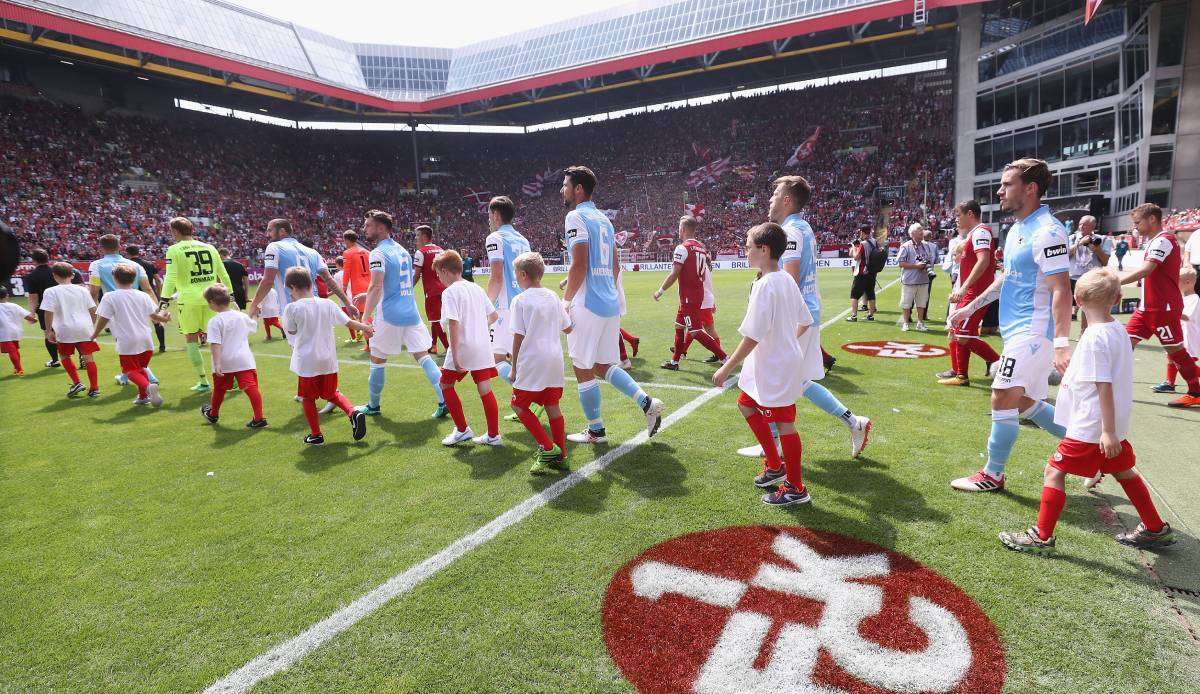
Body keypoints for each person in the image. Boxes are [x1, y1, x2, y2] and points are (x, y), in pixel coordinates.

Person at [998, 268, 1174, 554]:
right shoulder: (1118, 329)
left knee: (1054, 470)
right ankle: (1154, 527)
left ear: (1077, 300)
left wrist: (1106, 431)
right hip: (1110, 423)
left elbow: (1103, 385)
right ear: (1118, 298)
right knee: (1124, 471)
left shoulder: (1094, 338)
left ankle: (1042, 536)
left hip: (1094, 426)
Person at [948, 158, 1073, 493]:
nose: (999, 191)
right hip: (1016, 331)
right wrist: (968, 308)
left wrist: (1062, 342)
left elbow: (1062, 288)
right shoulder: (1018, 228)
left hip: (1033, 334)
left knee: (1002, 395)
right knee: (1023, 403)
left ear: (1029, 189)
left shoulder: (1048, 231)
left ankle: (993, 474)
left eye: (1007, 184)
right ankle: (1087, 445)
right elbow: (1007, 279)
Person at [738, 175, 870, 460]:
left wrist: (777, 327)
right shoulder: (799, 227)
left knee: (775, 378)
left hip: (797, 319)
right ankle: (853, 422)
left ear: (787, 200)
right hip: (804, 316)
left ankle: (775, 446)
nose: (771, 200)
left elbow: (791, 279)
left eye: (775, 195)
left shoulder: (793, 231)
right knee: (796, 382)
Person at [713, 222, 822, 506]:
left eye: (749, 247)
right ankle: (775, 465)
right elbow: (805, 321)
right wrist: (785, 342)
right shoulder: (785, 278)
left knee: (785, 423)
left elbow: (753, 335)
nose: (745, 251)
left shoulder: (766, 284)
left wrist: (726, 367)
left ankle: (796, 487)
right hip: (772, 362)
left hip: (775, 365)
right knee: (745, 403)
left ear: (764, 249)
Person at [560, 165, 665, 444]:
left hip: (588, 303)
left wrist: (566, 301)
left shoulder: (575, 216)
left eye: (565, 184)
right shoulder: (605, 221)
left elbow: (580, 265)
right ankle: (646, 402)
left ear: (578, 189)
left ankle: (596, 430)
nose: (562, 189)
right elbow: (616, 266)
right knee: (603, 365)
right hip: (608, 303)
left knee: (582, 366)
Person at [353, 210, 448, 419]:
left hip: (389, 315)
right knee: (423, 357)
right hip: (410, 312)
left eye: (368, 225)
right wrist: (366, 293)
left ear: (380, 228)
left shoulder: (378, 253)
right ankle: (445, 400)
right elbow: (390, 282)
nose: (364, 229)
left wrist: (365, 316)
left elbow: (377, 286)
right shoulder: (402, 250)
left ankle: (373, 405)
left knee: (377, 359)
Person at [1119, 203, 1200, 407]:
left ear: (1152, 219)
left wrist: (1114, 281)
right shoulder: (1156, 241)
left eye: (1138, 222)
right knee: (1123, 344)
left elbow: (1147, 269)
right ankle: (1111, 385)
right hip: (1147, 308)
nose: (1135, 227)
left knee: (1175, 351)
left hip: (1162, 309)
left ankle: (1195, 391)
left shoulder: (1164, 240)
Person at [280, 267, 371, 445]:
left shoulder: (292, 308)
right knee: (331, 394)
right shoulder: (327, 304)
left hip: (307, 362)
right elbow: (349, 322)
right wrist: (366, 328)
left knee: (308, 398)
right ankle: (353, 412)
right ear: (310, 283)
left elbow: (291, 330)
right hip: (328, 360)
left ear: (293, 287)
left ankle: (316, 434)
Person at [508, 252, 571, 474]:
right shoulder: (553, 296)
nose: (515, 277)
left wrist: (514, 366)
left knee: (518, 405)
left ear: (524, 275)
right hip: (554, 358)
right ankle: (561, 455)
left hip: (532, 360)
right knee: (552, 405)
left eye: (516, 273)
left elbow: (518, 335)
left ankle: (547, 448)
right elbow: (568, 327)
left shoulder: (520, 300)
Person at [433, 250, 502, 446]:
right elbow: (494, 316)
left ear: (445, 271)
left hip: (463, 347)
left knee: (445, 384)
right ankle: (493, 435)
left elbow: (453, 324)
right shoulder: (476, 288)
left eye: (438, 274)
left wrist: (455, 357)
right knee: (485, 389)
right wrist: (478, 327)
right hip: (482, 346)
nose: (439, 278)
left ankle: (462, 430)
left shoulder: (449, 292)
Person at [157, 217, 232, 392]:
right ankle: (231, 378)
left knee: (191, 339)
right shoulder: (210, 247)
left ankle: (204, 381)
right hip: (212, 298)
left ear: (175, 231)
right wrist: (231, 295)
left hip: (189, 300)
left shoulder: (174, 250)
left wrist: (164, 301)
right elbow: (223, 273)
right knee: (219, 339)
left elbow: (171, 277)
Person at [938, 200, 1000, 386]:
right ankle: (960, 374)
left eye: (958, 215)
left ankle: (999, 363)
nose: (956, 219)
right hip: (970, 291)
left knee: (963, 335)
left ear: (970, 214)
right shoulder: (973, 234)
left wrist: (964, 289)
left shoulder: (981, 231)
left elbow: (983, 261)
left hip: (976, 292)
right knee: (958, 329)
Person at [88, 234, 161, 387]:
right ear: (119, 246)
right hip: (137, 306)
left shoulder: (97, 265)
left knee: (125, 346)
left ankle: (146, 378)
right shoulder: (134, 265)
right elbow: (147, 288)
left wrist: (93, 312)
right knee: (137, 344)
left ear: (101, 248)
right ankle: (128, 376)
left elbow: (94, 291)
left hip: (115, 308)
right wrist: (156, 312)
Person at [90, 263, 166, 407]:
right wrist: (165, 319)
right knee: (141, 368)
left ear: (114, 278)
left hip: (127, 339)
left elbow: (103, 318)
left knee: (129, 370)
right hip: (146, 338)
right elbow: (154, 316)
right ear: (134, 278)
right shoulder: (142, 295)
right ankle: (143, 397)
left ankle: (147, 387)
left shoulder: (109, 297)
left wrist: (94, 334)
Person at [655, 215, 726, 369]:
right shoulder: (701, 247)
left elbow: (674, 273)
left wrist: (660, 291)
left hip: (689, 296)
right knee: (679, 326)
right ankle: (675, 362)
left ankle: (724, 357)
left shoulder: (682, 248)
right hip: (696, 293)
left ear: (683, 229)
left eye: (679, 228)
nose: (678, 231)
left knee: (695, 331)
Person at [199, 284, 267, 429]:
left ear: (211, 302)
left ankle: (213, 414)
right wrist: (255, 313)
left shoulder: (215, 321)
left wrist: (217, 364)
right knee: (251, 388)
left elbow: (215, 344)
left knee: (219, 389)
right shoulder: (241, 315)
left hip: (225, 361)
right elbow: (254, 326)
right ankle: (259, 418)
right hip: (244, 360)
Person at [483, 196, 531, 383]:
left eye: (489, 215)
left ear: (496, 215)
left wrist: (485, 307)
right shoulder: (523, 240)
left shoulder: (495, 238)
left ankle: (527, 399)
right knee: (519, 358)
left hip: (504, 307)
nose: (489, 220)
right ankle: (528, 400)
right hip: (524, 303)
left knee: (497, 359)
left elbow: (496, 277)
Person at [40, 262, 101, 398]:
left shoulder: (50, 291)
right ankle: (94, 388)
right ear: (72, 275)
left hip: (64, 328)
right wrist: (92, 325)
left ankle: (77, 382)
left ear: (54, 276)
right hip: (84, 327)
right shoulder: (83, 290)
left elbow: (48, 312)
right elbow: (93, 310)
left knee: (64, 356)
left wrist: (49, 330)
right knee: (88, 358)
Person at [20, 248, 78, 368]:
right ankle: (78, 357)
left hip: (45, 309)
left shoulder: (32, 276)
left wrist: (31, 313)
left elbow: (33, 297)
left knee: (49, 333)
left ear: (34, 261)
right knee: (68, 331)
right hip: (64, 306)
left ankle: (55, 360)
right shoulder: (57, 272)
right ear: (48, 258)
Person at [1152, 266, 1199, 394]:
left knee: (1186, 361)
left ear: (1188, 282)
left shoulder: (1194, 299)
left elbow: (1187, 316)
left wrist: (1169, 311)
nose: (1174, 284)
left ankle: (1193, 389)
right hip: (1178, 333)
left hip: (1189, 335)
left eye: (1177, 281)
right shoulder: (1181, 297)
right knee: (1171, 356)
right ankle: (1169, 383)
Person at [1066, 215, 1111, 330]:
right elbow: (1064, 255)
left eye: (1085, 225)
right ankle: (1063, 333)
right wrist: (1080, 243)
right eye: (1080, 223)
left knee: (1088, 307)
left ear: (1093, 226)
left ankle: (1084, 332)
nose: (1081, 226)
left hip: (1091, 278)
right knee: (1065, 306)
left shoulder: (1103, 239)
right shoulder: (1071, 238)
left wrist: (1097, 249)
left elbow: (1105, 261)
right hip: (1072, 277)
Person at [412, 225, 448, 354]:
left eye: (417, 235)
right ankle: (433, 345)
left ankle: (448, 347)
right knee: (436, 319)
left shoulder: (420, 252)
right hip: (445, 288)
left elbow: (416, 275)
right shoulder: (441, 250)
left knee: (435, 319)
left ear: (424, 236)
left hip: (432, 291)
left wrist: (409, 289)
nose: (416, 238)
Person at [126, 245, 166, 353]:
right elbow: (158, 279)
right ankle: (162, 345)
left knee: (136, 322)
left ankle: (139, 347)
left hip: (134, 296)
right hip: (149, 294)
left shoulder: (127, 265)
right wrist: (158, 293)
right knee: (156, 321)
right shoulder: (148, 264)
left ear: (127, 254)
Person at [896, 223, 933, 331]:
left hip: (923, 279)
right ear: (912, 233)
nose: (922, 232)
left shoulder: (926, 246)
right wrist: (916, 266)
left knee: (922, 303)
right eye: (919, 230)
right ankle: (906, 323)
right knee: (906, 303)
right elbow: (901, 263)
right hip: (909, 280)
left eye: (922, 229)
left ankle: (920, 323)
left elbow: (929, 260)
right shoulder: (905, 246)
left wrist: (926, 265)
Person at [340, 230, 372, 346]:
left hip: (358, 287)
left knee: (363, 316)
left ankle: (370, 344)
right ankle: (372, 342)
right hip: (369, 285)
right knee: (369, 313)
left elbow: (346, 271)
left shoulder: (347, 253)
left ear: (347, 240)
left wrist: (343, 288)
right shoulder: (367, 252)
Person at [0, 286, 36, 375]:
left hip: (3, 333)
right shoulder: (14, 305)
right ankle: (17, 368)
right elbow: (26, 316)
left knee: (12, 351)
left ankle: (19, 369)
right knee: (15, 350)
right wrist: (34, 320)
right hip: (16, 332)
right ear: (7, 296)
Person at [847, 226, 878, 321]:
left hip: (862, 272)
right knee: (871, 293)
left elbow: (856, 257)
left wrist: (853, 247)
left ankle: (854, 316)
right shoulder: (874, 241)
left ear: (863, 232)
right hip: (872, 272)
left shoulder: (863, 244)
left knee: (854, 295)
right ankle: (871, 315)